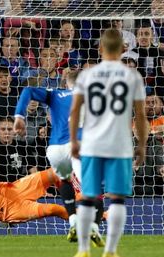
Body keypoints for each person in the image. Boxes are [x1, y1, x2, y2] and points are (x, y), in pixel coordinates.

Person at [70, 28, 147, 257]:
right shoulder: (133, 76)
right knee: (117, 199)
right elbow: (141, 115)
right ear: (124, 49)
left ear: (100, 48)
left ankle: (83, 249)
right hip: (120, 145)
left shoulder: (87, 75)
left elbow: (75, 111)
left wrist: (74, 140)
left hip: (92, 143)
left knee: (87, 197)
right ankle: (111, 251)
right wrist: (142, 145)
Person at [14, 71, 105, 247]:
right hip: (79, 145)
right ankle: (93, 227)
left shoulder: (55, 94)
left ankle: (73, 222)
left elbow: (28, 90)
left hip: (55, 149)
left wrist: (19, 116)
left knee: (65, 180)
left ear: (66, 84)